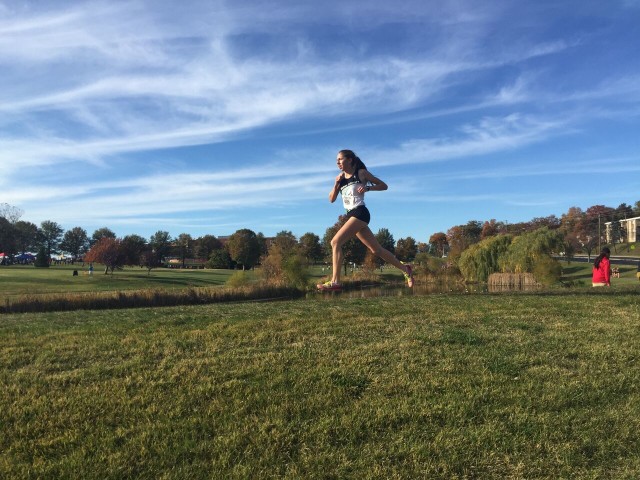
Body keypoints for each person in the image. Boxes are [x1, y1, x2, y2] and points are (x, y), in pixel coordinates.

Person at [317, 149, 414, 291]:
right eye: (336, 160)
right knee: (377, 250)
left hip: (361, 212)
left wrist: (368, 188)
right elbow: (331, 199)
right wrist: (336, 184)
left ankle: (335, 282)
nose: (337, 162)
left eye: (340, 159)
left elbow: (384, 186)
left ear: (349, 160)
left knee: (335, 242)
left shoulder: (361, 173)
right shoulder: (340, 178)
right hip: (351, 215)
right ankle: (406, 269)